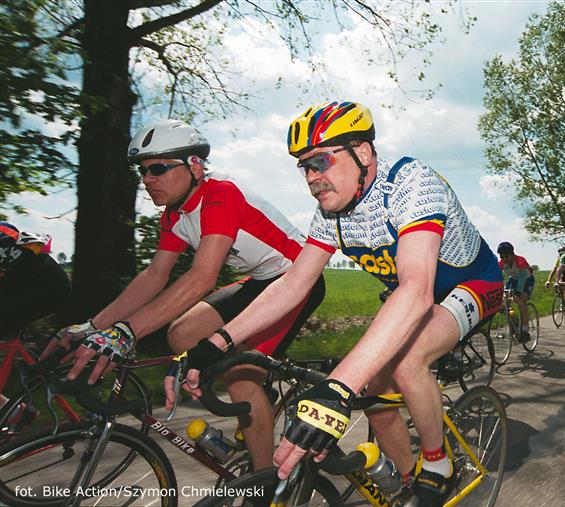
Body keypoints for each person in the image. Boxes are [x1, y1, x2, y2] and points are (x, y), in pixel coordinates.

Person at [177, 101, 503, 506]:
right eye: (304, 167)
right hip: (416, 294)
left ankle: (438, 464)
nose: (312, 178)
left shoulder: (411, 183)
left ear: (362, 152)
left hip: (471, 284)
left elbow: (416, 290)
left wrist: (336, 389)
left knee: (405, 361)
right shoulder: (331, 211)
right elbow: (294, 283)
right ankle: (407, 484)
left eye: (320, 161)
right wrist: (217, 342)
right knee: (375, 396)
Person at [45, 119, 325, 473]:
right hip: (259, 280)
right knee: (181, 334)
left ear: (194, 166)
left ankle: (264, 484)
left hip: (297, 279)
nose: (148, 179)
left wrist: (127, 331)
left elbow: (202, 277)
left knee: (240, 379)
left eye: (158, 168)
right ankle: (260, 393)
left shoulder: (221, 194)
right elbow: (153, 277)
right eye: (143, 171)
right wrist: (94, 326)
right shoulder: (174, 216)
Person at [0, 222, 71, 431]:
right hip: (25, 284)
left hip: (47, 287)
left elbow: (40, 243)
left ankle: (11, 411)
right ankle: (13, 410)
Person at [496, 242, 534, 342]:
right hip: (513, 280)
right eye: (501, 257)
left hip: (526, 280)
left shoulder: (520, 260)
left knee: (520, 300)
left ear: (512, 254)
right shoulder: (501, 263)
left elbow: (522, 278)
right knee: (503, 301)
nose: (504, 259)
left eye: (506, 256)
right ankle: (514, 322)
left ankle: (525, 330)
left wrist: (518, 292)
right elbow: (497, 277)